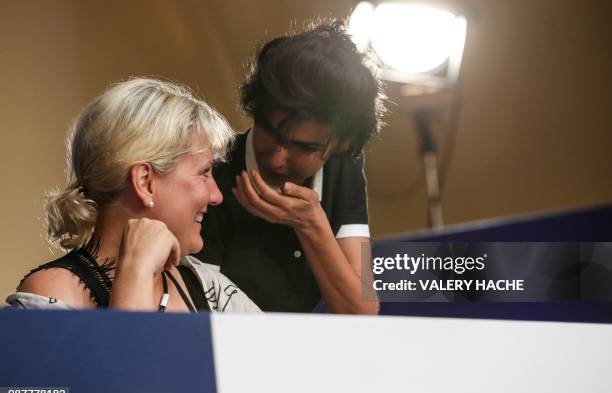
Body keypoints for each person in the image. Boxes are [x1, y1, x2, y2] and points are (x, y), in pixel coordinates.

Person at [6, 78, 260, 313]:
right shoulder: (55, 292)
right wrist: (136, 275)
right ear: (144, 182)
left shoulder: (206, 286)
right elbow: (127, 362)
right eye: (204, 173)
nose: (216, 196)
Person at [195, 20, 385, 314]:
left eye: (305, 147)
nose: (276, 158)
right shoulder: (212, 176)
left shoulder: (343, 170)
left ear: (342, 145)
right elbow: (199, 311)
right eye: (269, 131)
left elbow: (361, 312)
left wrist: (310, 223)